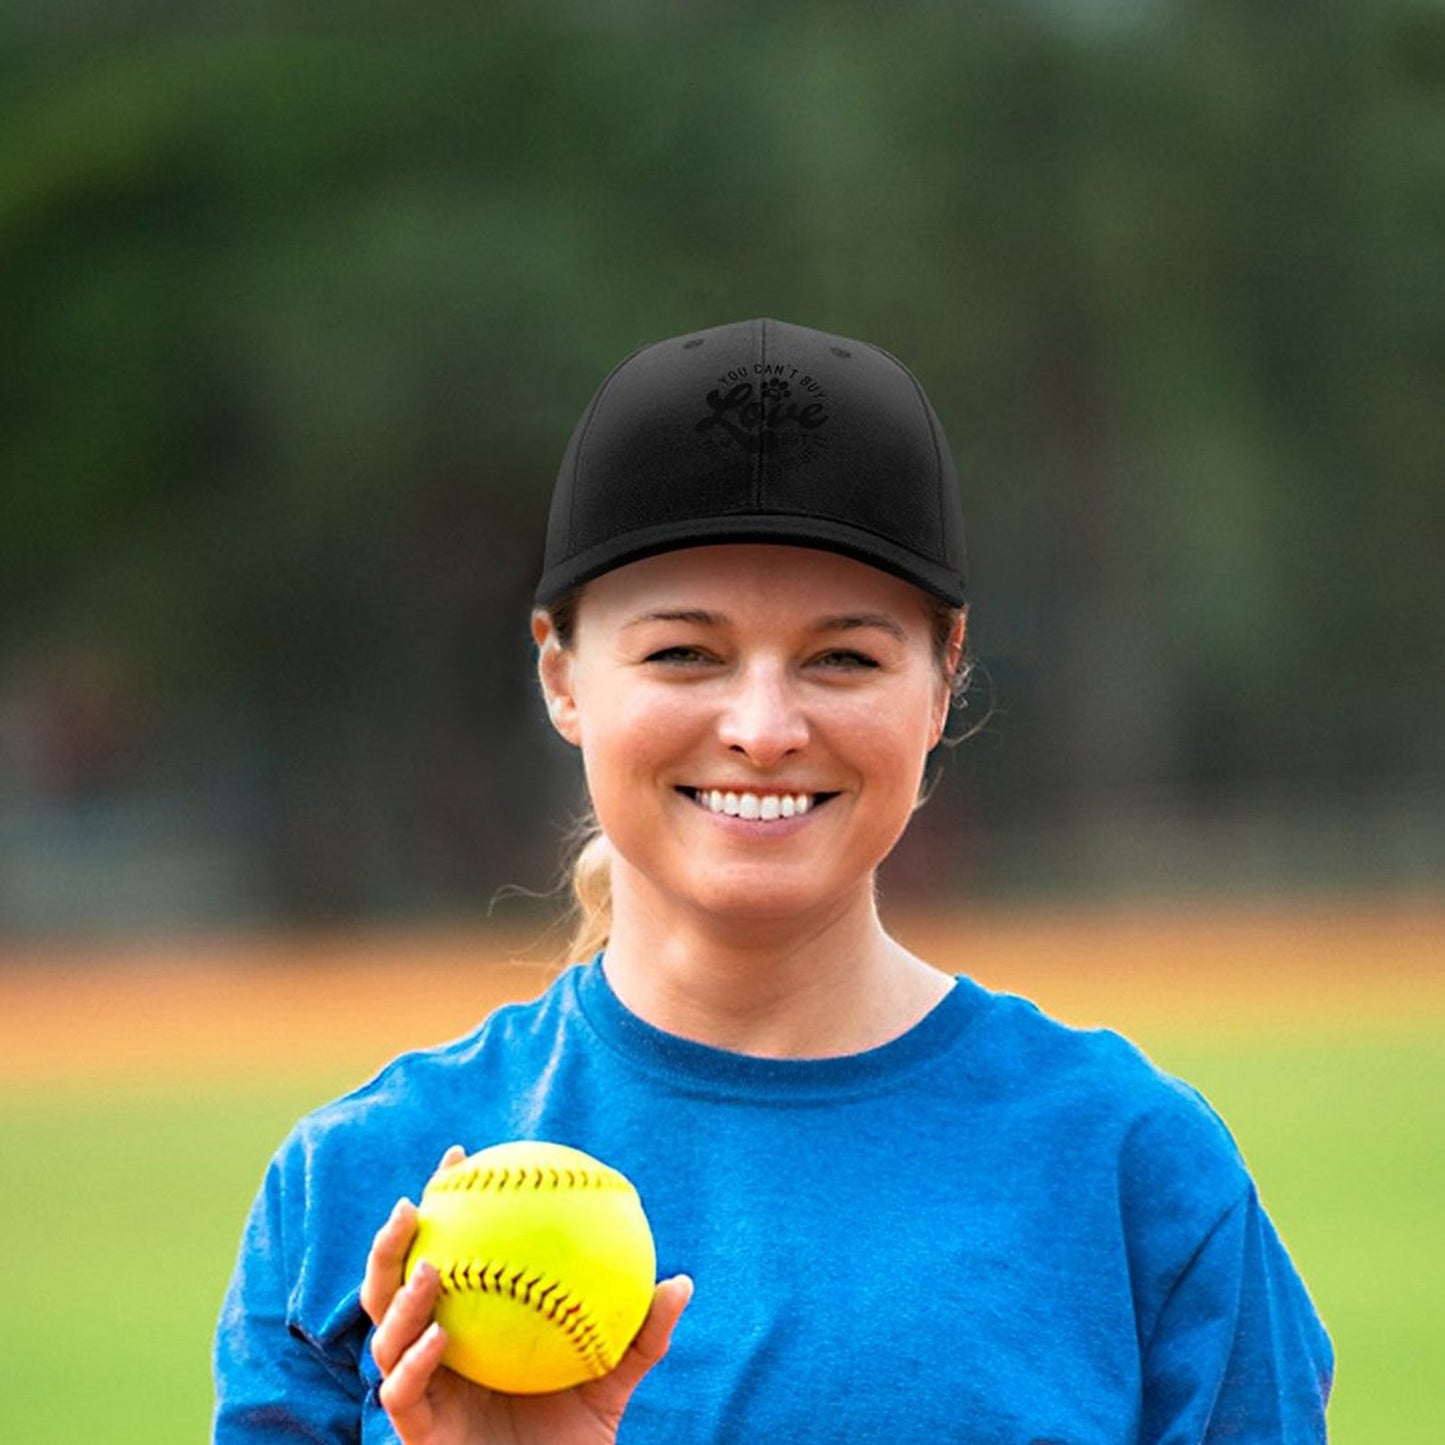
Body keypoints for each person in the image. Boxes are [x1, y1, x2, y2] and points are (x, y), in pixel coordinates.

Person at [213, 318, 1334, 1444]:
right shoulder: (360, 1191)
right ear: (560, 674)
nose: (761, 728)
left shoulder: (1130, 1168)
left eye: (841, 655)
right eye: (683, 653)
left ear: (941, 683)